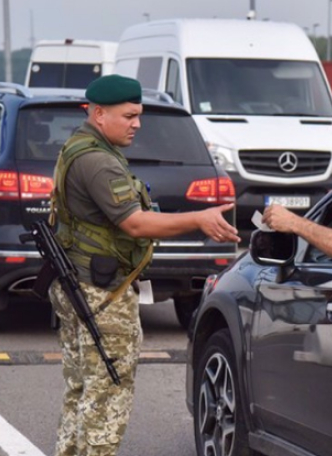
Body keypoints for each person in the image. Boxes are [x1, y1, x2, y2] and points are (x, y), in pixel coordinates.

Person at [49, 74, 239, 456]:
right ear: (99, 114)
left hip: (78, 285)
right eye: (129, 115)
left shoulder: (80, 146)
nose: (137, 123)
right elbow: (134, 223)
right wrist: (198, 219)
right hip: (100, 294)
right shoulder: (98, 161)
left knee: (83, 389)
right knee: (106, 394)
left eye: (139, 115)